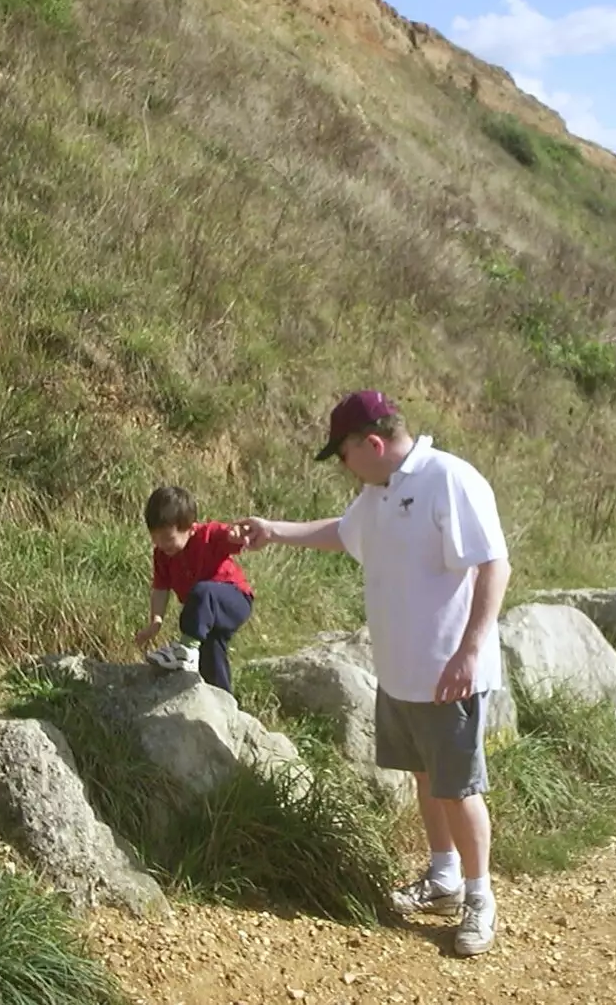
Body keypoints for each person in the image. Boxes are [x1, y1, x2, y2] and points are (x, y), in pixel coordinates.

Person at [235, 390, 511, 957]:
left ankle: (480, 898)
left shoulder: (448, 478)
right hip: (401, 671)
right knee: (425, 777)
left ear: (373, 443)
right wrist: (275, 529)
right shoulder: (379, 490)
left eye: (344, 453)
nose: (343, 465)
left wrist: (470, 650)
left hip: (448, 672)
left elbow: (493, 562)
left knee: (459, 788)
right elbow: (343, 531)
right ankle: (443, 878)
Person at [135, 486, 254, 694]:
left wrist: (236, 535)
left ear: (191, 528)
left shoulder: (208, 535)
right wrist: (156, 620)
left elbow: (228, 535)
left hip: (235, 600)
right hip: (206, 615)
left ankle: (186, 650)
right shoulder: (162, 556)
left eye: (168, 539)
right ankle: (223, 699)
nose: (162, 545)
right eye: (155, 539)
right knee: (211, 651)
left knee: (201, 592)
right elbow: (161, 588)